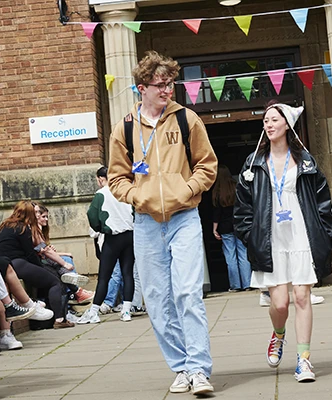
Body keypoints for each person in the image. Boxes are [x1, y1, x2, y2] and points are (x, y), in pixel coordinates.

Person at [108, 51, 217, 395]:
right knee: (157, 300)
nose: (167, 90)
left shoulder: (187, 120)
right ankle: (181, 367)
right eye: (160, 85)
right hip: (146, 223)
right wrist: (138, 197)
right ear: (142, 88)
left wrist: (187, 189)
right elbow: (116, 178)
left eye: (170, 84)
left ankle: (199, 369)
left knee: (187, 293)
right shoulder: (125, 128)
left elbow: (207, 166)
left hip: (185, 217)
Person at [234, 101, 332, 383]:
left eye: (274, 120)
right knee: (279, 304)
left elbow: (322, 202)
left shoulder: (306, 161)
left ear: (287, 125)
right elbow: (242, 207)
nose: (268, 124)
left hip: (301, 234)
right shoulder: (253, 163)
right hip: (270, 238)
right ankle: (278, 336)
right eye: (265, 120)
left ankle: (304, 360)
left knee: (302, 297)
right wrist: (250, 237)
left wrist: (325, 235)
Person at [0, 200, 77, 329]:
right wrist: (40, 267)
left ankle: (41, 305)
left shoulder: (4, 225)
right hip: (18, 264)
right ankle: (60, 320)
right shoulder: (22, 228)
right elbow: (30, 254)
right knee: (54, 282)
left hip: (4, 264)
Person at [79, 166, 134, 324]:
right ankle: (126, 311)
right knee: (127, 273)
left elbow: (92, 217)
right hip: (130, 235)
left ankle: (94, 312)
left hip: (112, 237)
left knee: (104, 276)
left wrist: (100, 228)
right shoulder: (127, 190)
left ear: (101, 179)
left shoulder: (101, 194)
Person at [212, 164, 251, 292]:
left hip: (225, 227)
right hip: (239, 224)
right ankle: (247, 283)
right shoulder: (237, 187)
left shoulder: (217, 191)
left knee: (230, 256)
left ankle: (235, 285)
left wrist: (214, 228)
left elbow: (217, 212)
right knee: (243, 254)